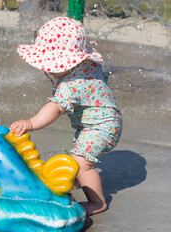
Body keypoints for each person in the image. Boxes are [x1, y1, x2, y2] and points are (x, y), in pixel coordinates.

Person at [10, 17, 122, 216]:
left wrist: (31, 123)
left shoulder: (71, 85)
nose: (46, 69)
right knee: (78, 156)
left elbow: (55, 108)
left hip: (102, 127)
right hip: (99, 122)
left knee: (81, 163)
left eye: (51, 64)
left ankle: (97, 202)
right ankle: (78, 180)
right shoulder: (87, 64)